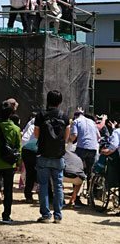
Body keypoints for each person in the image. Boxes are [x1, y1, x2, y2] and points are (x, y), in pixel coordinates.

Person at [34, 90, 70, 223]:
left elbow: (36, 135)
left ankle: (45, 215)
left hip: (43, 154)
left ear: (48, 100)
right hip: (58, 156)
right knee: (58, 186)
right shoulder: (64, 116)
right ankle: (58, 215)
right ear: (60, 101)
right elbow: (66, 137)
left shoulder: (41, 115)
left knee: (43, 185)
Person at [69, 110, 100, 193]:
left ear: (76, 116)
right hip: (93, 148)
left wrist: (68, 140)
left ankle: (76, 195)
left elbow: (74, 135)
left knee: (76, 170)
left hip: (81, 147)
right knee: (90, 172)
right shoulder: (92, 122)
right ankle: (90, 193)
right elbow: (98, 136)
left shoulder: (76, 121)